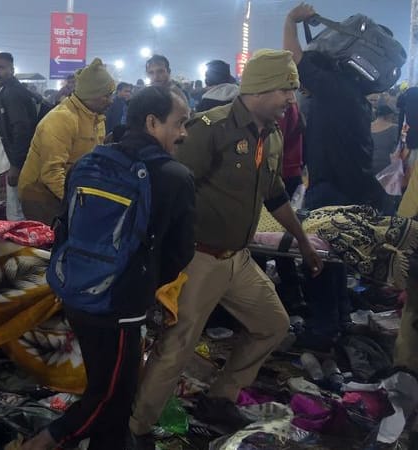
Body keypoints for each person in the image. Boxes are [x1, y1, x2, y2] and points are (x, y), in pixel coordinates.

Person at [129, 50, 324, 447]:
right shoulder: (209, 129)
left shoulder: (271, 134)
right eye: (286, 90)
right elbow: (170, 187)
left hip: (239, 259)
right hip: (198, 258)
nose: (292, 99)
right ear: (260, 88)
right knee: (176, 347)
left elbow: (275, 194)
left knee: (273, 324)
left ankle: (220, 397)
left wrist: (302, 241)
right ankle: (134, 427)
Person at [21, 86, 195, 450]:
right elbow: (180, 253)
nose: (184, 134)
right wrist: (144, 284)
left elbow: (65, 227)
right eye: (179, 124)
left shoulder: (89, 162)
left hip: (75, 291)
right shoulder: (174, 176)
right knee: (110, 394)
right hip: (121, 306)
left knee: (107, 389)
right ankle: (42, 442)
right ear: (151, 122)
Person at [283, 2, 385, 209]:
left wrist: (291, 20)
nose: (299, 87)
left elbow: (292, 59)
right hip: (354, 188)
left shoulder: (336, 90)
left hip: (334, 193)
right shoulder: (351, 94)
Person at [18, 58, 115, 225]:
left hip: (69, 190)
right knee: (52, 246)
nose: (111, 101)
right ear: (91, 95)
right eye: (106, 96)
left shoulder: (97, 119)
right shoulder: (61, 119)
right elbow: (52, 173)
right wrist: (81, 203)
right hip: (40, 194)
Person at [0, 52, 39, 220]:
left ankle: (19, 245)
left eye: (1, 68)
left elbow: (22, 130)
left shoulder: (12, 93)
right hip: (16, 160)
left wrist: (16, 165)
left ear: (12, 69)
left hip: (19, 163)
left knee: (16, 213)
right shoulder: (7, 90)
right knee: (15, 209)